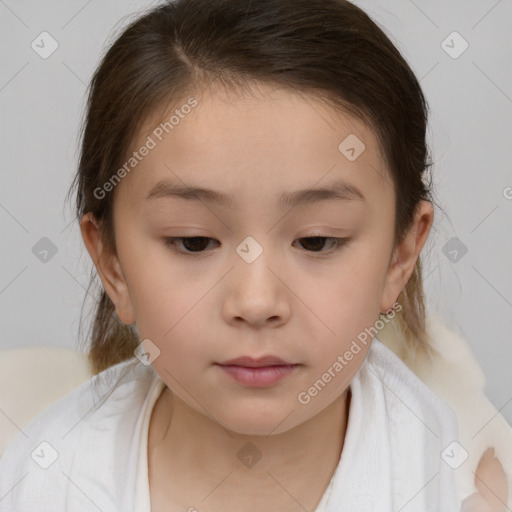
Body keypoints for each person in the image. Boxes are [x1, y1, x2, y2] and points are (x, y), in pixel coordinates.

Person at [0, 0, 509, 510]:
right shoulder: (43, 483)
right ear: (113, 265)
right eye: (194, 242)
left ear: (401, 255)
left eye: (316, 241)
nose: (257, 301)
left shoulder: (460, 486)